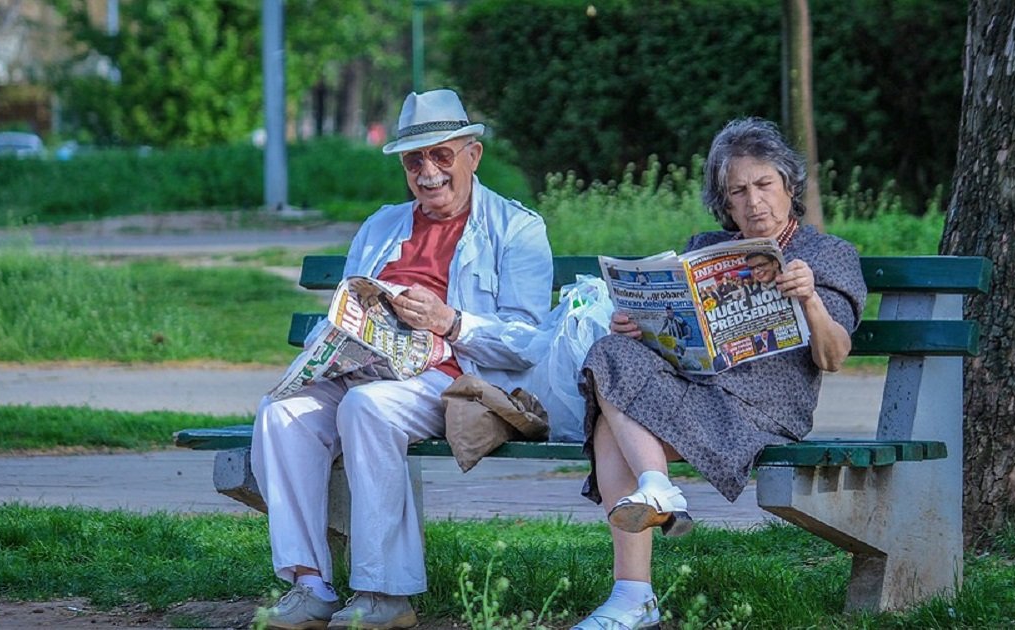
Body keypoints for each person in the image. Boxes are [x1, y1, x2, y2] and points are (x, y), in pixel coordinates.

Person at [251, 89, 553, 630]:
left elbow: (529, 342)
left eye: (442, 155)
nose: (429, 171)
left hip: (454, 380)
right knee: (281, 412)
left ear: (472, 156)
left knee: (368, 408)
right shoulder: (380, 226)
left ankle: (385, 595)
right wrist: (335, 342)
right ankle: (310, 584)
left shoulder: (517, 228)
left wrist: (450, 321)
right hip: (367, 371)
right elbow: (347, 305)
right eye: (415, 160)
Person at [573, 118, 867, 629]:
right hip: (696, 391)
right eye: (738, 191)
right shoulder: (707, 247)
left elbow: (834, 357)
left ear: (788, 186)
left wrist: (810, 298)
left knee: (609, 428)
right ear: (725, 203)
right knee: (608, 353)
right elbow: (673, 337)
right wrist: (637, 327)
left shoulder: (825, 255)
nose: (754, 202)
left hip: (762, 412)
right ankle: (653, 496)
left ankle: (633, 591)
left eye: (763, 185)